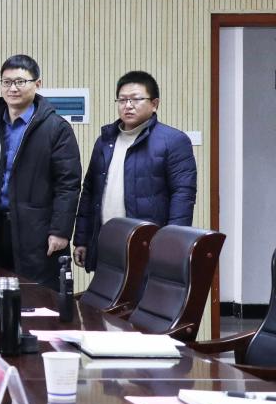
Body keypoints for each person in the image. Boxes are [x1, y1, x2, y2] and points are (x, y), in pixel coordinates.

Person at [0, 54, 81, 287]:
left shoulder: (56, 129)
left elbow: (68, 184)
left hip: (37, 231)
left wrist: (60, 230)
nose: (13, 88)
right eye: (7, 82)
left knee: (36, 295)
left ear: (37, 84)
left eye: (20, 82)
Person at [73, 70, 196, 271]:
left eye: (136, 99)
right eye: (122, 100)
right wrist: (82, 240)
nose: (128, 105)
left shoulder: (174, 141)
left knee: (144, 292)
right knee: (106, 292)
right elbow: (89, 192)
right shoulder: (105, 141)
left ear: (154, 104)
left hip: (149, 245)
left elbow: (183, 195)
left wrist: (173, 244)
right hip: (106, 242)